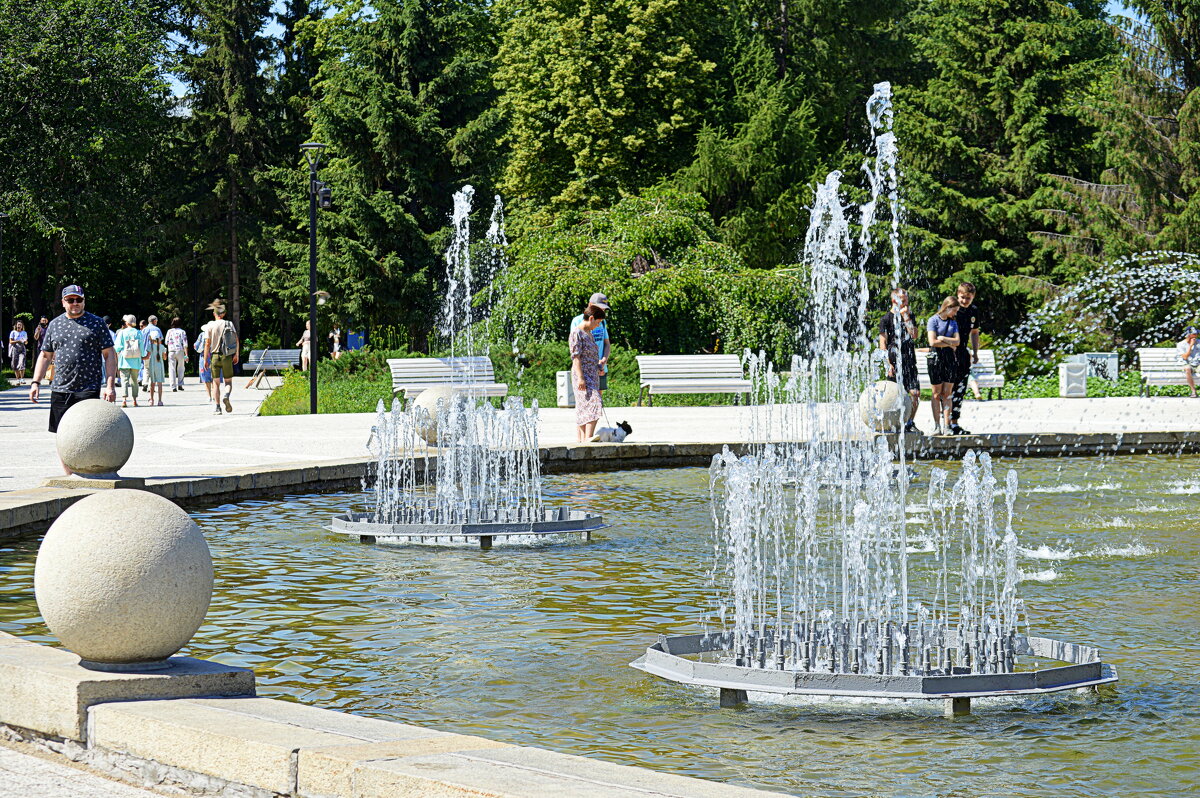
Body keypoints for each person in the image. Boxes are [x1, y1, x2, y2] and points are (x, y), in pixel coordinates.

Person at [28, 285, 117, 474]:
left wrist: (110, 385)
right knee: (63, 435)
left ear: (84, 301)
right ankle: (69, 475)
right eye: (70, 300)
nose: (75, 303)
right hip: (61, 388)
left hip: (88, 387)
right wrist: (35, 382)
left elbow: (109, 354)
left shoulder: (96, 323)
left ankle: (88, 471)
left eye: (79, 300)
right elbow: (45, 355)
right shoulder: (54, 324)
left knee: (89, 434)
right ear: (63, 302)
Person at [878, 288, 921, 434]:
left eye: (906, 300)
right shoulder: (886, 319)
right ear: (894, 300)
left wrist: (906, 318)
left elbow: (914, 335)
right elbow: (882, 344)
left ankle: (909, 422)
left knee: (915, 393)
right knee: (893, 395)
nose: (905, 303)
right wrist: (887, 364)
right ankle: (893, 423)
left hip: (909, 360)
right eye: (902, 300)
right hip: (894, 362)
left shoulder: (909, 316)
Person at [949, 282, 981, 434]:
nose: (964, 301)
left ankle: (954, 423)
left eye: (968, 298)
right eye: (962, 297)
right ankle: (945, 422)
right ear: (957, 294)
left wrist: (975, 352)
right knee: (948, 388)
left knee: (960, 389)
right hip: (948, 352)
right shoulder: (951, 308)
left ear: (973, 297)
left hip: (962, 353)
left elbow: (974, 332)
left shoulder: (974, 311)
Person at [570, 304, 606, 441]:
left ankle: (584, 439)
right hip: (582, 376)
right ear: (591, 318)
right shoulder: (576, 333)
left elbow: (589, 356)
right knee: (594, 402)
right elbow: (576, 357)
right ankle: (589, 437)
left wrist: (598, 366)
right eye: (598, 322)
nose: (598, 326)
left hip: (592, 375)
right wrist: (580, 378)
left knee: (585, 406)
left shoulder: (588, 333)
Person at [926, 296, 961, 435]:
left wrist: (943, 339)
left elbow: (957, 341)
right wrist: (949, 344)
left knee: (947, 393)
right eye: (954, 310)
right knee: (936, 393)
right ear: (947, 308)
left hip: (949, 359)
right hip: (936, 358)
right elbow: (932, 342)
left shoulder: (953, 322)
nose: (955, 314)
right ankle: (936, 426)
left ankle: (947, 426)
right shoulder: (933, 320)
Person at [570, 293, 611, 394]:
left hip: (600, 367)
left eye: (604, 309)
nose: (602, 311)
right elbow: (575, 349)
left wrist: (604, 360)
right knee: (586, 400)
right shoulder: (578, 321)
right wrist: (580, 376)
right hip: (585, 369)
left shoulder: (602, 322)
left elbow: (606, 343)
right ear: (590, 304)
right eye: (600, 308)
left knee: (598, 400)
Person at [204, 301, 239, 414]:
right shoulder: (229, 324)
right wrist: (236, 354)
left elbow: (207, 344)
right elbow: (236, 340)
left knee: (216, 383)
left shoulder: (210, 325)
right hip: (227, 356)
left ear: (214, 314)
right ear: (223, 314)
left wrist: (205, 359)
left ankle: (218, 407)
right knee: (228, 382)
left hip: (214, 356)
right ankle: (226, 396)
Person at [113, 315, 144, 408]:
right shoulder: (138, 332)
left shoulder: (122, 333)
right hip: (136, 360)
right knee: (134, 381)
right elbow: (142, 348)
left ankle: (124, 400)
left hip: (124, 360)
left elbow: (117, 346)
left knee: (124, 380)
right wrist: (143, 354)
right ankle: (134, 400)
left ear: (127, 322)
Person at [144, 325, 166, 406]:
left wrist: (141, 358)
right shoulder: (162, 347)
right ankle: (160, 400)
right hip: (160, 366)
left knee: (152, 384)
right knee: (159, 384)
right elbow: (164, 358)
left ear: (151, 338)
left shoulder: (150, 346)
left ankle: (151, 399)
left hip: (152, 366)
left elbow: (147, 356)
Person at [165, 317, 189, 391]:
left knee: (172, 368)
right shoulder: (182, 332)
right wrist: (186, 354)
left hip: (171, 351)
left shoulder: (169, 331)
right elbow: (185, 344)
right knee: (181, 368)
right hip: (180, 351)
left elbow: (166, 342)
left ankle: (173, 386)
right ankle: (180, 385)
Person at [1178, 325, 1200, 398]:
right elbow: (1185, 357)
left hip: (1198, 364)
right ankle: (1193, 391)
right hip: (1187, 364)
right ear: (1188, 335)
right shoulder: (1181, 344)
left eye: (1197, 333)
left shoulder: (1199, 342)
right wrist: (1191, 346)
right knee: (1187, 369)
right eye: (1194, 334)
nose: (1196, 335)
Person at [8, 320, 28, 384]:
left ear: (22, 326)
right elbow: (11, 342)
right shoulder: (13, 332)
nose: (19, 326)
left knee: (21, 363)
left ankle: (22, 378)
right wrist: (18, 341)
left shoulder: (24, 333)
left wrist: (25, 342)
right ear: (16, 325)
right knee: (15, 363)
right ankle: (17, 379)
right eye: (18, 325)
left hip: (22, 348)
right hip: (15, 348)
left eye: (20, 325)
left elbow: (26, 341)